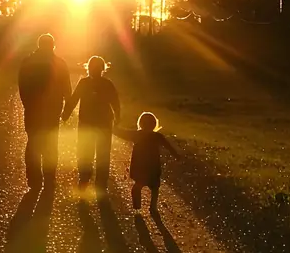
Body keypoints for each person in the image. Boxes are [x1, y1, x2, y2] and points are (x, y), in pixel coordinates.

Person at [18, 33, 72, 191]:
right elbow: (67, 88)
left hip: (33, 110)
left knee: (33, 142)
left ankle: (34, 179)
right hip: (52, 111)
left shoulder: (27, 62)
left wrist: (27, 104)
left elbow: (22, 87)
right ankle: (49, 178)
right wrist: (67, 109)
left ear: (39, 45)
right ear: (52, 45)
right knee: (51, 144)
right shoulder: (60, 63)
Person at [62, 56, 120, 195]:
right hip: (102, 123)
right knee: (102, 154)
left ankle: (85, 179)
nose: (95, 70)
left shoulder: (85, 83)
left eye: (96, 68)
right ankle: (98, 183)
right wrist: (117, 117)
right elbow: (115, 102)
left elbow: (74, 99)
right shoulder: (107, 83)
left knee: (87, 152)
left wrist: (65, 115)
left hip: (89, 123)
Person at [113, 111, 178, 214]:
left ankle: (137, 207)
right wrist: (176, 156)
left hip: (139, 167)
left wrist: (113, 127)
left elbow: (122, 133)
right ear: (154, 124)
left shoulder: (136, 134)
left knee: (138, 185)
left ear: (140, 123)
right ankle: (153, 207)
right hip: (153, 167)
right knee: (155, 188)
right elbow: (168, 146)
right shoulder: (157, 136)